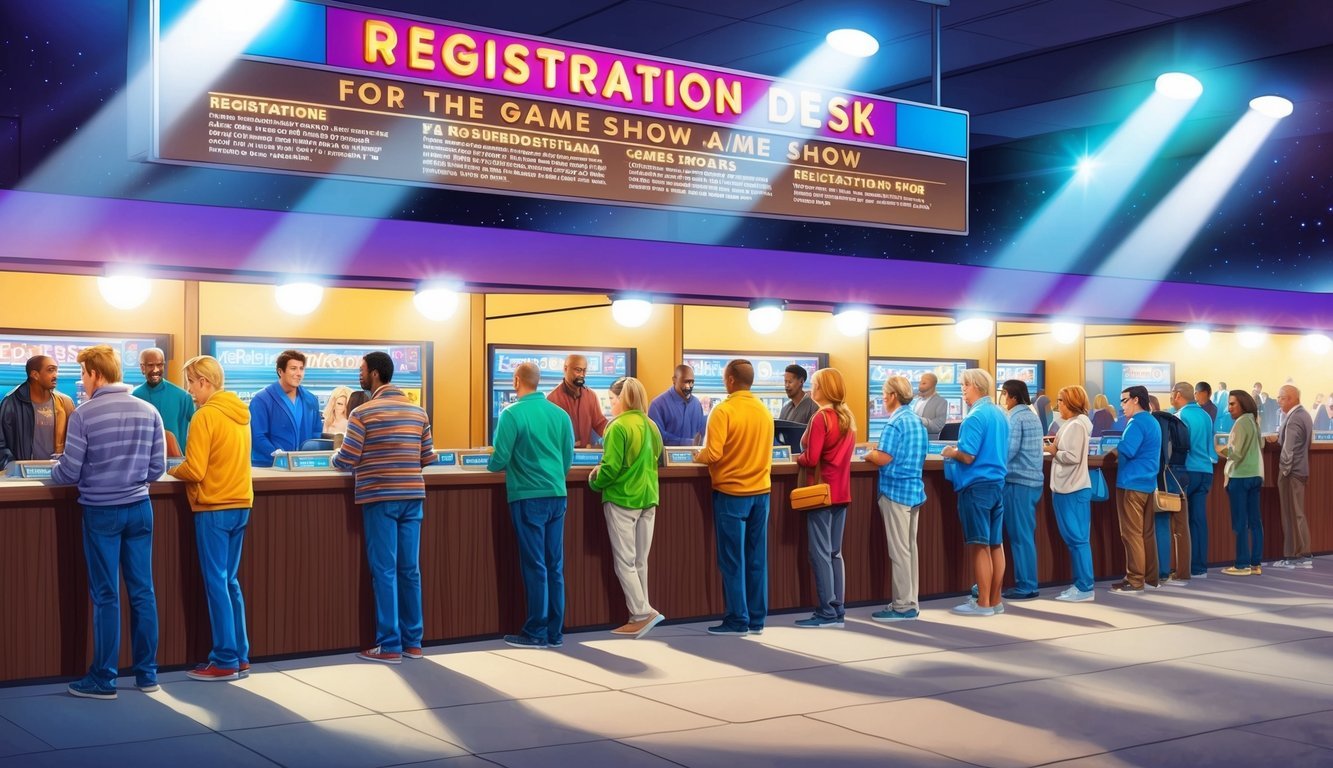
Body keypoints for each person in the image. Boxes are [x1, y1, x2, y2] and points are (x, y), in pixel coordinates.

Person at [50, 345, 164, 699]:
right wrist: (132, 480)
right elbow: (158, 467)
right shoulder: (149, 410)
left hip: (101, 512)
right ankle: (147, 675)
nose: (81, 381)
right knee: (143, 592)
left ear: (96, 374)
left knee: (106, 595)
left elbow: (69, 471)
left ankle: (104, 678)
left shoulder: (85, 414)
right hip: (140, 509)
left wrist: (53, 469)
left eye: (83, 373)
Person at [332, 352, 435, 663]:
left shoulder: (363, 413)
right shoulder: (419, 413)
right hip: (413, 497)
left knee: (385, 570)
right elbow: (426, 457)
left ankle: (389, 644)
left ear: (375, 374)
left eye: (362, 370)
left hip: (380, 498)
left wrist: (333, 459)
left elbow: (347, 459)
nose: (359, 375)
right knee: (410, 570)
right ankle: (413, 642)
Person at [167, 355, 253, 681]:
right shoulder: (242, 414)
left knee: (216, 582)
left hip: (213, 507)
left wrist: (169, 467)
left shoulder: (205, 416)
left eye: (191, 382)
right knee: (230, 581)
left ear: (204, 381)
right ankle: (240, 654)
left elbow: (195, 469)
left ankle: (225, 659)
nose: (189, 390)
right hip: (241, 503)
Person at [489, 361, 574, 648]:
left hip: (527, 496)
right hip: (557, 495)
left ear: (516, 381)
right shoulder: (560, 414)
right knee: (555, 565)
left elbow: (499, 460)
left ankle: (535, 631)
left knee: (535, 565)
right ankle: (555, 632)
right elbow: (567, 458)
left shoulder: (511, 414)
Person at [695, 359, 775, 635]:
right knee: (756, 559)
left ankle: (736, 619)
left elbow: (713, 453)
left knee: (732, 559)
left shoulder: (724, 410)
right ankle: (756, 620)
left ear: (730, 380)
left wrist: (696, 454)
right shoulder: (764, 411)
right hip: (761, 493)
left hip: (731, 493)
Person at [588, 376, 665, 638]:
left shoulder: (617, 426)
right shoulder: (651, 425)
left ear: (622, 399)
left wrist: (595, 481)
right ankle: (642, 613)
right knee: (640, 561)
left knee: (624, 562)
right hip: (648, 498)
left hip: (622, 499)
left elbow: (610, 467)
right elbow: (657, 458)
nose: (610, 405)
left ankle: (641, 614)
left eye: (611, 399)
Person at [941, 369, 1008, 616]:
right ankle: (995, 600)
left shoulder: (974, 417)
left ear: (975, 386)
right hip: (998, 485)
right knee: (995, 544)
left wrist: (950, 452)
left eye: (964, 386)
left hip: (976, 486)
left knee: (979, 545)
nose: (962, 391)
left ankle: (983, 604)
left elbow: (968, 456)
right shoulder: (1000, 415)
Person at [792, 367, 856, 628]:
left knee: (819, 553)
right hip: (841, 493)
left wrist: (798, 457)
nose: (811, 389)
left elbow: (812, 458)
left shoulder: (821, 418)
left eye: (815, 385)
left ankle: (826, 612)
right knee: (834, 553)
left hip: (821, 493)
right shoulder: (847, 419)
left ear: (824, 389)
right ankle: (838, 608)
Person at [865, 375, 927, 621]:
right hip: (914, 491)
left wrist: (869, 454)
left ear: (892, 396)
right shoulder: (916, 421)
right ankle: (911, 601)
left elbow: (883, 458)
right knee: (910, 550)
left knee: (899, 552)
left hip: (895, 492)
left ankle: (902, 605)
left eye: (883, 393)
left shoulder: (894, 423)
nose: (882, 397)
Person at [1107, 385, 1161, 595]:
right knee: (1146, 533)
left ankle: (1135, 579)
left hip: (1131, 484)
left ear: (1136, 400)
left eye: (1124, 400)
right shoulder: (1152, 421)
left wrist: (1112, 449)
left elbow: (1127, 449)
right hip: (1148, 483)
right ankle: (1149, 577)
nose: (1121, 406)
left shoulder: (1136, 423)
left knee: (1131, 534)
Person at [1046, 386, 1095, 602]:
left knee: (1077, 539)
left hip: (1071, 489)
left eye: (1061, 401)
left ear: (1072, 403)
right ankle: (1081, 584)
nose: (1058, 406)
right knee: (1076, 540)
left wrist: (1054, 451)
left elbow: (1072, 456)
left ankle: (1084, 587)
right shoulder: (1075, 424)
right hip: (1070, 488)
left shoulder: (1075, 426)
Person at [1000, 379, 1043, 601]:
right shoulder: (1032, 416)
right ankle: (1028, 582)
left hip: (1018, 482)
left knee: (1020, 536)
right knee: (1025, 535)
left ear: (1011, 396)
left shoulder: (1015, 417)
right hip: (1033, 481)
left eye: (1004, 394)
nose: (1002, 399)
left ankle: (1026, 585)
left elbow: (1009, 450)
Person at [1216, 389, 1263, 576]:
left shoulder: (1240, 423)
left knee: (1240, 522)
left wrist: (1221, 449)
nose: (1229, 408)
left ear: (1243, 403)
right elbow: (1262, 445)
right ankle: (1255, 564)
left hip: (1240, 477)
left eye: (1232, 403)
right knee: (1255, 522)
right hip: (1255, 476)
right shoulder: (1253, 421)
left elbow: (1236, 453)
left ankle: (1241, 564)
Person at [249, 350, 322, 466]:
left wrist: (310, 457)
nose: (299, 373)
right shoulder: (261, 400)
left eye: (301, 368)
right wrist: (278, 457)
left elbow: (316, 432)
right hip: (269, 467)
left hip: (304, 466)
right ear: (280, 371)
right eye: (293, 368)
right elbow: (258, 436)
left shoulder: (311, 399)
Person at [0, 354, 75, 469]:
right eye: (51, 370)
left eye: (56, 370)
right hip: (24, 477)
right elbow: (1, 444)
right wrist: (13, 468)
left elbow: (75, 441)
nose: (56, 375)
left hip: (57, 473)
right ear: (35, 374)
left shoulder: (66, 402)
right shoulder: (11, 403)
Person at [1150, 392, 1192, 586]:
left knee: (1161, 523)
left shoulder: (1156, 423)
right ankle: (1183, 572)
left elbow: (1157, 456)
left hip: (1164, 479)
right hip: (1181, 476)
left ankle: (1162, 571)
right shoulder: (1175, 421)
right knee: (1182, 527)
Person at [1176, 381, 1217, 578]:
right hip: (1206, 471)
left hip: (1188, 471)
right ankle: (1200, 567)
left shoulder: (1181, 415)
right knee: (1199, 519)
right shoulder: (1206, 415)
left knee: (1182, 521)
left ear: (1177, 395)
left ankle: (1185, 567)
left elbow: (1181, 445)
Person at [1272, 384, 1312, 569]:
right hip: (1300, 470)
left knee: (1290, 514)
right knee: (1297, 513)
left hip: (1291, 473)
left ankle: (1294, 556)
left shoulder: (1294, 418)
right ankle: (1301, 554)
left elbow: (1288, 450)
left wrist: (1285, 471)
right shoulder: (1304, 414)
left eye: (1281, 397)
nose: (1278, 400)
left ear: (1291, 398)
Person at [132, 347, 195, 451]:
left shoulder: (183, 397)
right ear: (142, 368)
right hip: (143, 460)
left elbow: (196, 432)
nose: (156, 369)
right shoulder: (134, 396)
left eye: (160, 365)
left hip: (176, 462)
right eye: (151, 365)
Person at [546, 353, 607, 448]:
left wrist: (615, 434)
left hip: (586, 456)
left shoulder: (591, 396)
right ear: (565, 369)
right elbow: (549, 433)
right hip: (562, 456)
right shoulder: (552, 399)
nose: (582, 375)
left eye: (584, 370)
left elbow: (600, 424)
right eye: (578, 370)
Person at [647, 364, 705, 445]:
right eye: (685, 382)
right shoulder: (657, 405)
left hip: (694, 457)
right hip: (666, 457)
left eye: (692, 382)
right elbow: (657, 437)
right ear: (674, 380)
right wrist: (687, 443)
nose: (689, 386)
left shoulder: (697, 404)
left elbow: (701, 435)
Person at [913, 372, 949, 440]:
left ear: (933, 384)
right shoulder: (917, 400)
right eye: (920, 382)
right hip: (914, 440)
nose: (920, 384)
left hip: (929, 443)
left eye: (924, 383)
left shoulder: (941, 402)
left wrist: (919, 420)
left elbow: (938, 426)